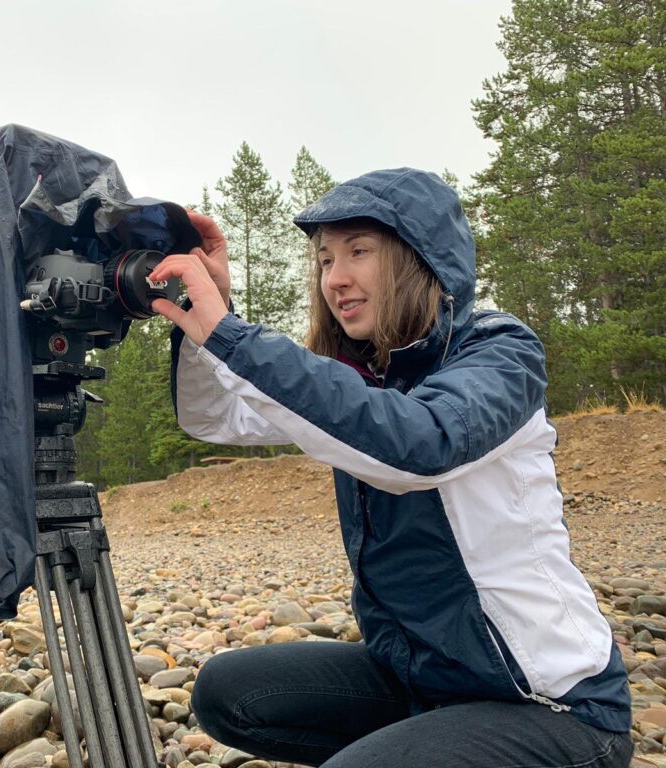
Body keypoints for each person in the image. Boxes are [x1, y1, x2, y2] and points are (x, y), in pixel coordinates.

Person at [150, 169, 633, 767]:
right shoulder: (363, 378)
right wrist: (207, 313)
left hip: (548, 704)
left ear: (418, 257)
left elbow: (419, 443)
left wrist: (237, 338)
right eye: (325, 260)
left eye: (358, 251)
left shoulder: (501, 353)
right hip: (424, 682)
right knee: (231, 693)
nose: (336, 278)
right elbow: (215, 417)